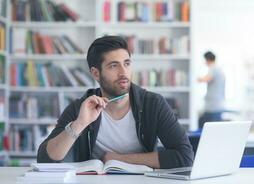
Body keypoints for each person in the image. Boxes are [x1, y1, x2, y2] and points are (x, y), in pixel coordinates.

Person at [37, 36, 193, 169]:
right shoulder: (81, 107)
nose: (123, 72)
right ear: (95, 73)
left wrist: (120, 159)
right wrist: (79, 124)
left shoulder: (153, 104)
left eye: (127, 63)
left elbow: (185, 156)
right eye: (113, 66)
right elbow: (45, 160)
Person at [197, 51, 225, 129]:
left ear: (208, 59)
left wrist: (198, 79)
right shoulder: (219, 69)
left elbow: (206, 78)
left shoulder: (213, 68)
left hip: (213, 106)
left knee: (208, 128)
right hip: (217, 105)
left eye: (205, 60)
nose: (205, 62)